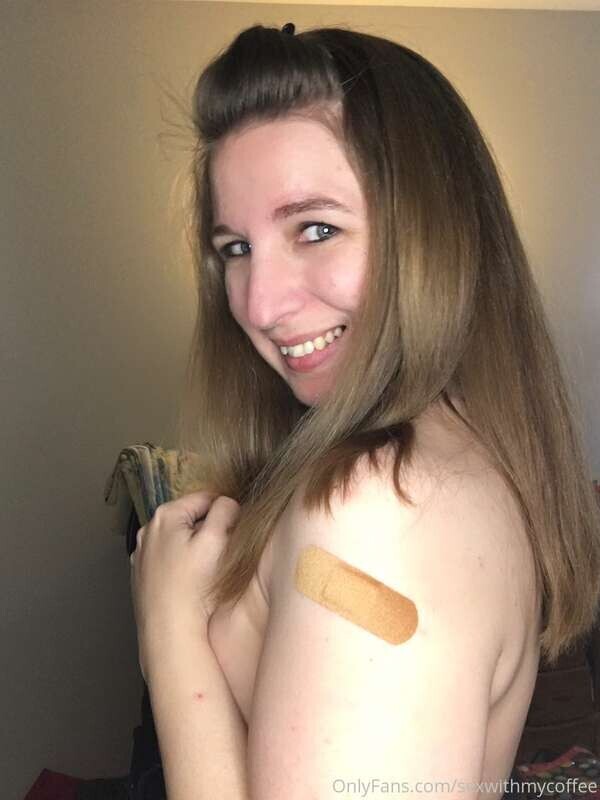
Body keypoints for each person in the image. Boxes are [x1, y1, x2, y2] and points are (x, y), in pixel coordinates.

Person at [129, 22, 600, 800]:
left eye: (316, 229)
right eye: (235, 249)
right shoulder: (451, 448)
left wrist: (170, 637)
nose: (259, 305)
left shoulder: (381, 510)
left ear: (434, 234)